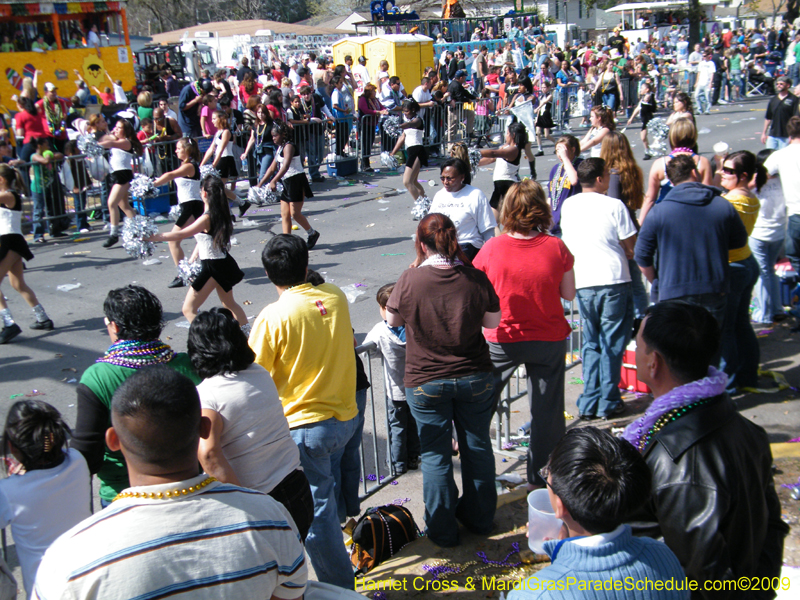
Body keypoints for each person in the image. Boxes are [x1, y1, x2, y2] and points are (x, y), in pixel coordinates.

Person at [34, 366, 308, 600]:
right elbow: (291, 593)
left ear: (114, 441)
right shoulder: (270, 518)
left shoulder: (69, 560)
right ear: (204, 428)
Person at [625, 301, 788, 596]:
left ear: (653, 362)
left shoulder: (677, 461)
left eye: (638, 346)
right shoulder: (743, 428)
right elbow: (772, 529)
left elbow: (703, 575)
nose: (635, 352)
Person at [249, 234, 358, 589]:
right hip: (345, 418)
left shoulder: (273, 316)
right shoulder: (335, 296)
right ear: (306, 265)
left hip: (306, 428)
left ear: (268, 274)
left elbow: (254, 373)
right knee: (328, 497)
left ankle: (339, 588)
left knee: (316, 514)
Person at [386, 213, 501, 547]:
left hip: (426, 381)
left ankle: (442, 530)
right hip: (474, 375)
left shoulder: (410, 279)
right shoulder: (474, 277)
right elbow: (493, 322)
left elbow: (392, 319)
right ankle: (480, 519)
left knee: (436, 456)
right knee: (477, 447)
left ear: (422, 244)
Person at [473, 180, 575, 490]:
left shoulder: (492, 248)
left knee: (480, 408)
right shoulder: (556, 247)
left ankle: (478, 479)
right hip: (548, 338)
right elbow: (569, 294)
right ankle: (540, 481)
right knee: (547, 414)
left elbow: (477, 293)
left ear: (507, 210)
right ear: (541, 208)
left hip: (502, 339)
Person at [507, 428, 687, 600]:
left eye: (547, 475)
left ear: (560, 506)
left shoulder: (533, 594)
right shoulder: (662, 556)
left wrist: (562, 556)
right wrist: (563, 549)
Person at [187, 308, 313, 540]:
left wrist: (244, 501)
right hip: (296, 488)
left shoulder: (207, 395)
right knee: (293, 559)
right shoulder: (259, 372)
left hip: (259, 502)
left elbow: (208, 454)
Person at [71, 285, 201, 506]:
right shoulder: (189, 365)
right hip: (190, 486)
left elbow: (87, 453)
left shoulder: (98, 377)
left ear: (115, 326)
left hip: (124, 495)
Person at [561, 158, 637, 420]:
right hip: (613, 279)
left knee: (592, 342)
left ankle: (589, 401)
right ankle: (608, 400)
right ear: (600, 179)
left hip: (584, 280)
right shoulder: (614, 205)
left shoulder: (569, 205)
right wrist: (625, 249)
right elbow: (631, 245)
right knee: (611, 343)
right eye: (607, 174)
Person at [635, 154, 748, 328]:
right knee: (710, 341)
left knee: (678, 343)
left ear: (671, 181)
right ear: (695, 173)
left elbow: (642, 255)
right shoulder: (722, 205)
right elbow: (739, 241)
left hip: (673, 291)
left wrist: (657, 281)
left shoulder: (659, 212)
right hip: (714, 288)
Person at [0, 400, 89, 599]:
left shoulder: (8, 492)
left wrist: (15, 480)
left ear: (12, 447)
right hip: (86, 578)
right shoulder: (77, 460)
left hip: (45, 589)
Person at [148, 175, 248, 329]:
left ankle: (208, 338)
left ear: (204, 193)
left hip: (212, 267)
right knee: (229, 303)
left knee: (188, 309)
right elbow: (207, 238)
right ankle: (248, 335)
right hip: (222, 262)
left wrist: (150, 237)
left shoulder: (206, 218)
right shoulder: (220, 212)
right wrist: (195, 255)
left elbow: (180, 234)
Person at [717, 151, 762, 393]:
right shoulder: (749, 197)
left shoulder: (732, 202)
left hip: (733, 267)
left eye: (728, 170)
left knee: (727, 328)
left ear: (743, 175)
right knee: (741, 324)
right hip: (746, 263)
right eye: (722, 168)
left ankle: (729, 383)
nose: (722, 173)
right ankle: (747, 375)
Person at [364, 283, 419, 474]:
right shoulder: (415, 326)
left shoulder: (380, 331)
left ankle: (397, 465)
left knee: (396, 427)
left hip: (396, 392)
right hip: (418, 387)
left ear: (385, 309)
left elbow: (367, 352)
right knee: (413, 424)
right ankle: (413, 457)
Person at [0, 164, 54, 345]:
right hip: (11, 241)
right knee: (18, 284)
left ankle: (9, 324)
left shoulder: (9, 195)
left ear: (1, 179)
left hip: (9, 241)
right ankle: (43, 318)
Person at [600, 131, 648, 324]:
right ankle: (642, 317)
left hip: (619, 232)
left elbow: (613, 204)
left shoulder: (613, 175)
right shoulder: (633, 170)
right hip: (633, 226)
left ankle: (629, 319)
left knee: (621, 280)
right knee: (635, 280)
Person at [150, 138, 203, 288]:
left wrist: (151, 185)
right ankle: (189, 269)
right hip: (189, 206)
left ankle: (183, 274)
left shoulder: (189, 166)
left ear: (187, 150)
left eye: (179, 148)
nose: (176, 151)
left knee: (174, 240)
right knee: (203, 238)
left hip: (192, 206)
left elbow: (169, 175)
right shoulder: (186, 165)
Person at [640, 118, 713, 223]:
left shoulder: (660, 164)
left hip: (665, 216)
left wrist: (641, 223)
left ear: (672, 137)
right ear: (693, 136)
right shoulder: (702, 162)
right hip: (694, 217)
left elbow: (650, 199)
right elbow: (708, 195)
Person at [258, 122, 320, 247]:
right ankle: (287, 242)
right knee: (285, 214)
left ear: (283, 134)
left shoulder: (289, 146)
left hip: (296, 180)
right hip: (286, 182)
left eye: (275, 135)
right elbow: (272, 167)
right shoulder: (280, 148)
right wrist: (260, 184)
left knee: (295, 213)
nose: (273, 138)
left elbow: (285, 166)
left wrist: (274, 180)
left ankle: (312, 233)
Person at [428, 158, 496, 260]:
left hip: (466, 245)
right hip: (443, 245)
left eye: (450, 178)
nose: (445, 182)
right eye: (442, 178)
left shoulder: (475, 195)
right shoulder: (439, 195)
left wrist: (491, 255)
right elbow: (429, 226)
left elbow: (487, 230)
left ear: (462, 177)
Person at [750, 150, 787, 325]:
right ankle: (777, 309)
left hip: (759, 233)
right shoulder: (784, 181)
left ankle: (764, 314)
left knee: (762, 273)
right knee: (770, 271)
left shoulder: (756, 183)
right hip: (778, 232)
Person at [98, 119, 142, 248]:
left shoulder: (125, 142)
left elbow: (110, 142)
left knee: (111, 203)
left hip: (123, 175)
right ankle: (139, 230)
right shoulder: (118, 140)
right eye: (115, 127)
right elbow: (109, 138)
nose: (116, 129)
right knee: (125, 206)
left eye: (119, 128)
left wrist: (97, 145)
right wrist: (110, 132)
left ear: (126, 130)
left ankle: (114, 234)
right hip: (117, 175)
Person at [765, 116, 800, 276]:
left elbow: (761, 176)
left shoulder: (780, 155)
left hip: (796, 212)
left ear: (789, 134)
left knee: (795, 257)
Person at [478, 122, 527, 226]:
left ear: (513, 135)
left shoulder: (514, 150)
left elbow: (493, 153)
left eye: (507, 133)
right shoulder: (505, 147)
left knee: (507, 222)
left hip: (508, 186)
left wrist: (475, 152)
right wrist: (473, 163)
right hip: (499, 187)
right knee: (492, 222)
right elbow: (491, 158)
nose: (506, 135)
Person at [391, 99, 428, 212]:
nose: (404, 113)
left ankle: (421, 206)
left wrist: (399, 126)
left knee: (407, 182)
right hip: (410, 151)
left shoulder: (418, 120)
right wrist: (392, 153)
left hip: (417, 151)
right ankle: (426, 203)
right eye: (403, 111)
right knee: (414, 182)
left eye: (406, 111)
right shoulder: (407, 121)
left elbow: (410, 124)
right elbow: (402, 138)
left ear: (413, 110)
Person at [547, 135, 583, 236]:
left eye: (563, 151)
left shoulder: (580, 165)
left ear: (573, 150)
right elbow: (550, 196)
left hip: (571, 222)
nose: (559, 155)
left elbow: (574, 180)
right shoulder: (556, 169)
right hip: (555, 222)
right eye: (557, 151)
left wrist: (565, 158)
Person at [760, 76, 797, 150]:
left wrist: (793, 135)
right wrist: (764, 133)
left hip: (786, 135)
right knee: (770, 154)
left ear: (788, 85)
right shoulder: (773, 100)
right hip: (773, 134)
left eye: (781, 84)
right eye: (777, 84)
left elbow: (795, 119)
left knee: (784, 155)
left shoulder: (794, 99)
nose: (778, 86)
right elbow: (768, 118)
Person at [62, 140, 91, 232]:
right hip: (75, 186)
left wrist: (88, 183)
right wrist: (73, 187)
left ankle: (85, 223)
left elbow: (84, 172)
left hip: (82, 185)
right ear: (75, 148)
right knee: (79, 205)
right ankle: (80, 225)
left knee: (83, 204)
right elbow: (68, 175)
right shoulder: (69, 160)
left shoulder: (80, 158)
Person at [358, 83, 387, 171]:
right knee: (365, 144)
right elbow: (365, 110)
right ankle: (364, 164)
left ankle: (367, 164)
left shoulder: (375, 100)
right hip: (365, 124)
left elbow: (381, 107)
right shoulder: (363, 99)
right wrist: (378, 112)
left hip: (373, 124)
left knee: (370, 144)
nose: (375, 93)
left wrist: (384, 110)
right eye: (373, 91)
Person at [626, 79, 657, 158]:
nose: (640, 90)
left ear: (647, 89)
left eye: (642, 88)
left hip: (649, 120)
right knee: (643, 137)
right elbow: (638, 108)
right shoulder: (643, 98)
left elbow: (653, 107)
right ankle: (647, 151)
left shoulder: (649, 96)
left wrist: (648, 101)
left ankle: (650, 150)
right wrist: (631, 118)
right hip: (644, 120)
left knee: (653, 136)